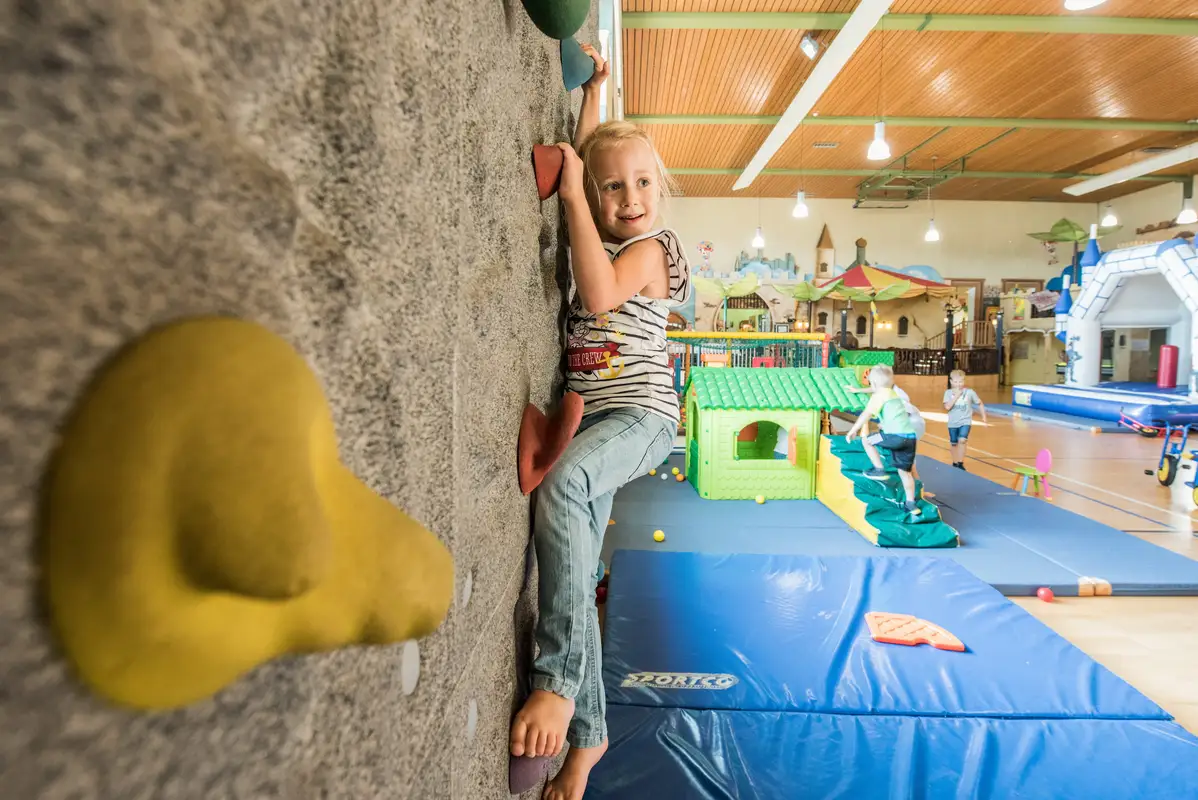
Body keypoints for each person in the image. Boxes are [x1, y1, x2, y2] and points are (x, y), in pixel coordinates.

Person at [509, 43, 691, 800]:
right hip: (596, 413)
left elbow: (603, 294)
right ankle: (589, 743)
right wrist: (597, 94)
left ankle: (556, 681)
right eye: (614, 188)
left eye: (643, 182)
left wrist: (577, 195)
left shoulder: (649, 251)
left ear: (663, 190)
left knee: (562, 487)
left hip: (643, 415)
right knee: (577, 563)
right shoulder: (612, 227)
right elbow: (590, 155)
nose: (630, 198)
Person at [844, 365, 921, 516]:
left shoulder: (878, 397)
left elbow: (866, 414)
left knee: (867, 440)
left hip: (894, 437)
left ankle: (879, 469)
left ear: (872, 382)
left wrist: (852, 431)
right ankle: (911, 504)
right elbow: (877, 389)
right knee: (905, 473)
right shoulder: (891, 392)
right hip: (910, 438)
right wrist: (858, 390)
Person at [943, 369, 986, 471]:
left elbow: (980, 403)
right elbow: (947, 407)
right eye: (956, 382)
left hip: (965, 421)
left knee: (962, 440)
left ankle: (961, 462)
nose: (959, 384)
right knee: (954, 443)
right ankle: (955, 462)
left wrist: (984, 417)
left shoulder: (969, 392)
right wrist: (956, 396)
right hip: (953, 423)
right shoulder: (948, 393)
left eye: (961, 381)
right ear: (951, 382)